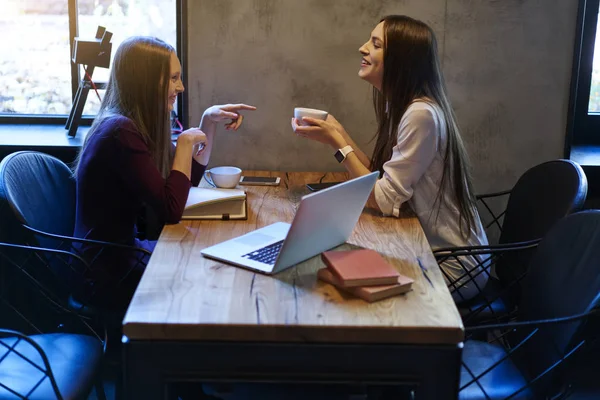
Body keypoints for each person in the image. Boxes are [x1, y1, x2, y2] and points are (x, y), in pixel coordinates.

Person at [292, 15, 488, 303]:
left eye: (375, 44)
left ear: (401, 59)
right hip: (425, 251)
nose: (362, 48)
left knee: (332, 284)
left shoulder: (421, 114)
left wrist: (339, 144)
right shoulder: (407, 107)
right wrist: (338, 133)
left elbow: (383, 199)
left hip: (455, 265)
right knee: (329, 268)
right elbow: (380, 177)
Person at [73, 36, 255, 309]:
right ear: (145, 81)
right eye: (173, 78)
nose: (180, 87)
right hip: (107, 272)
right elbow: (171, 209)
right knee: (212, 274)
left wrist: (208, 122)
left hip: (122, 254)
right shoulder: (120, 132)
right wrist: (184, 143)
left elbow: (185, 183)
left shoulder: (130, 125)